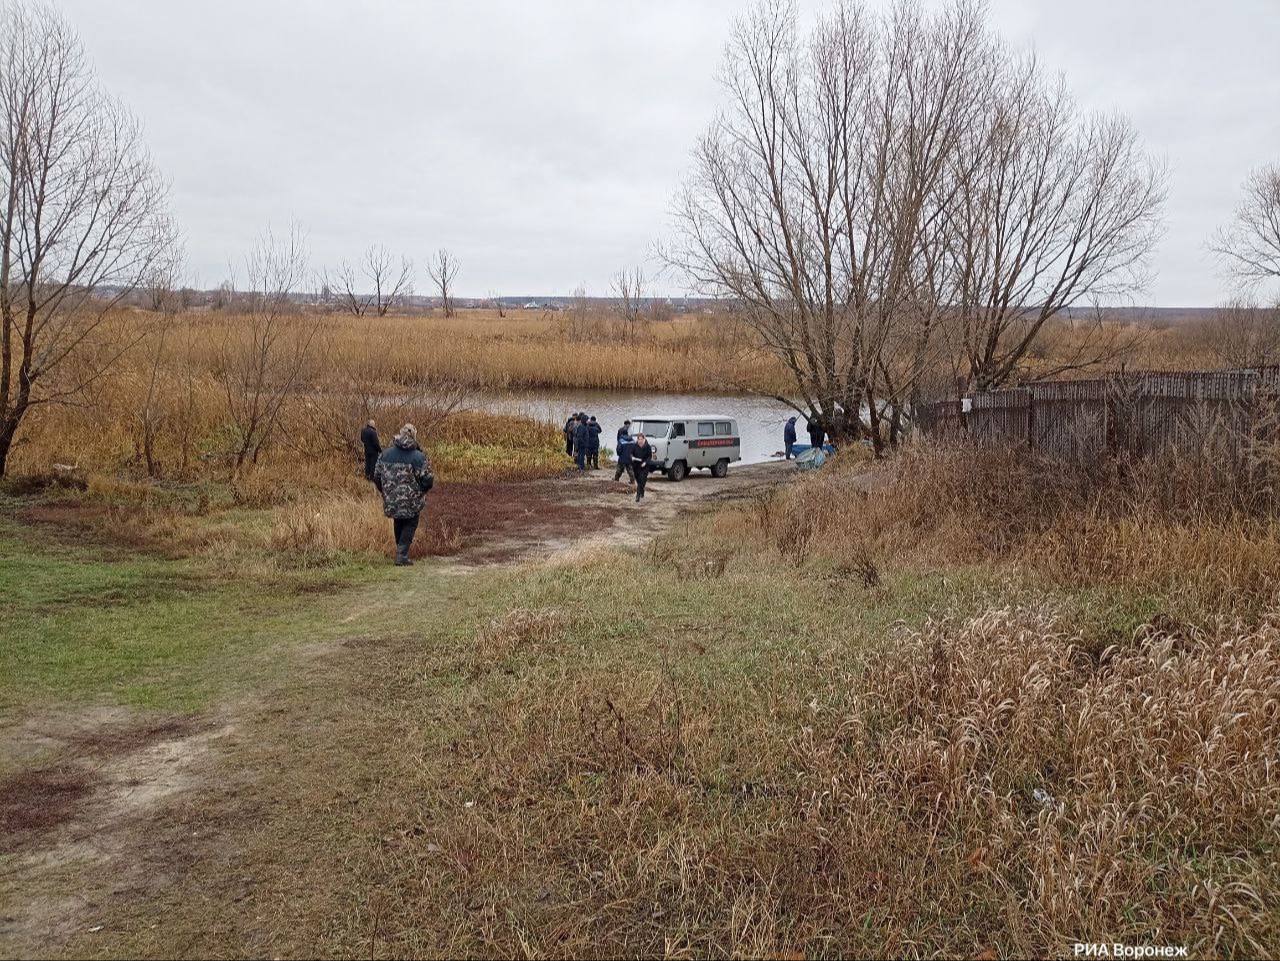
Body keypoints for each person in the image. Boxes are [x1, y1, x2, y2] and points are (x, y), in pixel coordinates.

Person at [373, 423, 434, 566]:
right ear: (413, 436)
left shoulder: (385, 454)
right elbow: (428, 479)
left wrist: (386, 491)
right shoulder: (418, 457)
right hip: (412, 500)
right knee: (410, 522)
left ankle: (401, 552)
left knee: (398, 520)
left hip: (391, 498)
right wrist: (422, 491)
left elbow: (376, 476)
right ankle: (401, 555)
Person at [631, 432, 654, 503]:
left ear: (644, 439)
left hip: (644, 466)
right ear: (637, 440)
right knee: (638, 480)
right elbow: (631, 453)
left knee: (642, 480)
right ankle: (642, 490)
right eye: (639, 439)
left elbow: (650, 456)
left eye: (641, 439)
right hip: (636, 466)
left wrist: (645, 462)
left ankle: (637, 496)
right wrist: (632, 457)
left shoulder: (647, 446)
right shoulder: (634, 446)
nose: (640, 441)